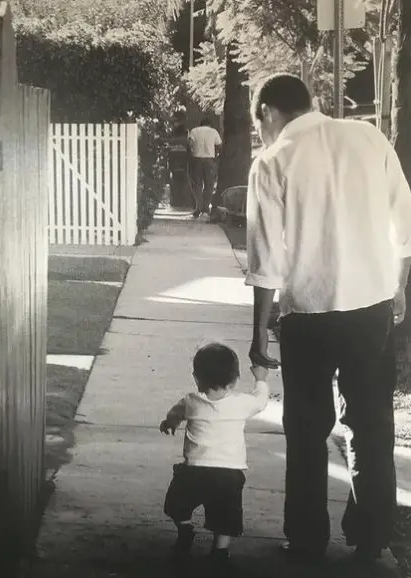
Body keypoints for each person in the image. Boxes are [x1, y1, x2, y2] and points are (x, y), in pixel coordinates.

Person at [246, 73, 411, 564]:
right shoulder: (368, 136)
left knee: (306, 427)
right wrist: (398, 288)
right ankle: (373, 533)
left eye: (259, 124)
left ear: (268, 113)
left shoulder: (273, 160)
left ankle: (306, 536)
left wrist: (259, 333)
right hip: (370, 307)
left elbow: (265, 259)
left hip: (308, 314)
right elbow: (403, 221)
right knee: (371, 422)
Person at [160, 343, 269, 573]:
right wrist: (260, 378)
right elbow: (261, 401)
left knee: (175, 505)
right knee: (226, 515)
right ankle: (220, 550)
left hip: (193, 470)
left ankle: (185, 528)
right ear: (235, 379)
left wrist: (170, 423)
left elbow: (174, 414)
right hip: (229, 473)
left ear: (196, 377)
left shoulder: (190, 401)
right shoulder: (242, 403)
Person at [188, 117, 222, 219]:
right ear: (209, 125)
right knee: (209, 185)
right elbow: (219, 144)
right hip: (209, 161)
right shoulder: (213, 131)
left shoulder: (194, 131)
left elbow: (189, 143)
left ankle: (198, 206)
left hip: (196, 159)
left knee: (197, 184)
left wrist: (192, 152)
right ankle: (205, 209)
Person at [167, 113, 191, 208]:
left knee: (174, 181)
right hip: (184, 162)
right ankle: (183, 201)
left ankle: (175, 201)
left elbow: (168, 151)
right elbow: (189, 151)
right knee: (184, 181)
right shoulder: (186, 140)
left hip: (173, 162)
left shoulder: (172, 140)